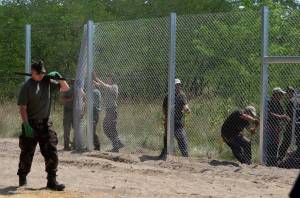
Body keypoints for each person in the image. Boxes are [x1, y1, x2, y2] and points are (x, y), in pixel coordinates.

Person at [17, 61, 69, 191]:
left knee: (51, 151)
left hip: (46, 123)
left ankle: (52, 181)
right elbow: (23, 108)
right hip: (31, 124)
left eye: (43, 73)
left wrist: (59, 77)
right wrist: (26, 125)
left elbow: (65, 88)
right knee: (27, 153)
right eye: (39, 73)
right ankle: (22, 178)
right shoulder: (26, 87)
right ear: (32, 72)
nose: (41, 75)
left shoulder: (48, 82)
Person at [159, 78, 191, 159]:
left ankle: (185, 155)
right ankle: (165, 153)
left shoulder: (181, 95)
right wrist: (166, 118)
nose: (178, 87)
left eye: (179, 85)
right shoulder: (168, 96)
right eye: (176, 85)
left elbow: (185, 105)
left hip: (178, 121)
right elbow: (163, 108)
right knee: (166, 137)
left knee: (181, 137)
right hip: (169, 120)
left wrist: (186, 109)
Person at [93, 72, 124, 152]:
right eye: (108, 78)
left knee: (110, 128)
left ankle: (117, 145)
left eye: (109, 78)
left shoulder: (114, 87)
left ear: (112, 80)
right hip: (109, 110)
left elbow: (104, 85)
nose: (107, 79)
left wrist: (97, 79)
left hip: (112, 110)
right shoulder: (108, 86)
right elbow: (99, 85)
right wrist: (92, 79)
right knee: (107, 127)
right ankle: (118, 143)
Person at [265, 87, 291, 166]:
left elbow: (283, 113)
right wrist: (281, 117)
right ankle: (269, 161)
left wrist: (285, 118)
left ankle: (273, 161)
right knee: (270, 143)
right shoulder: (269, 101)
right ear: (275, 94)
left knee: (276, 143)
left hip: (276, 126)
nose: (282, 96)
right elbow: (268, 113)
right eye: (281, 94)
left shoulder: (278, 103)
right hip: (269, 125)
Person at [278, 86, 295, 162]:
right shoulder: (291, 102)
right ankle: (281, 158)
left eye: (288, 93)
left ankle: (280, 158)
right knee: (286, 142)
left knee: (285, 142)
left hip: (293, 125)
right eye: (287, 93)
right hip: (291, 125)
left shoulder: (293, 102)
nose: (287, 95)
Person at [60, 79, 74, 151]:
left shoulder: (78, 89)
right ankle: (66, 146)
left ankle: (74, 144)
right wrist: (70, 99)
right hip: (68, 111)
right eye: (72, 83)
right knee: (67, 129)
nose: (72, 85)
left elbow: (84, 99)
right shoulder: (66, 90)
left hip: (75, 112)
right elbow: (62, 99)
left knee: (76, 129)